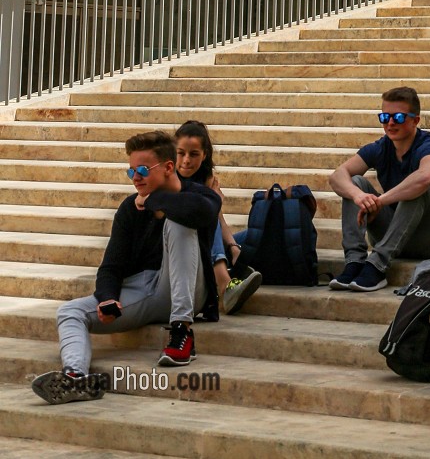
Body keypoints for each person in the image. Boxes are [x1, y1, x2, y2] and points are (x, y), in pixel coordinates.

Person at [31, 129, 221, 405]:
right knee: (70, 311)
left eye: (143, 169)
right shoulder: (130, 208)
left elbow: (201, 213)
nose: (136, 178)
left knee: (178, 221)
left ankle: (182, 330)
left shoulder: (201, 195)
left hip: (189, 288)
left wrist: (155, 201)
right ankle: (75, 377)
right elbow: (111, 266)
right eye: (131, 171)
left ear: (169, 167)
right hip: (145, 291)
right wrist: (107, 296)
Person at [328, 85, 430, 292]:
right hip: (393, 230)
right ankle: (355, 262)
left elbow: (425, 178)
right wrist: (359, 196)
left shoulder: (428, 145)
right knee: (356, 182)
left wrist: (380, 201)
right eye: (384, 117)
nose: (390, 123)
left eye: (398, 117)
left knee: (417, 188)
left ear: (415, 120)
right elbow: (337, 176)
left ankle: (377, 266)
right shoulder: (380, 147)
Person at [174, 119, 262, 316]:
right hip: (180, 245)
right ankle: (225, 284)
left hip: (207, 242)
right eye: (181, 153)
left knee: (254, 237)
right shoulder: (170, 180)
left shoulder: (207, 179)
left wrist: (233, 247)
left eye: (194, 154)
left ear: (204, 155)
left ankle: (229, 263)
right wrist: (211, 204)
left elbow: (220, 220)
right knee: (208, 215)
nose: (186, 160)